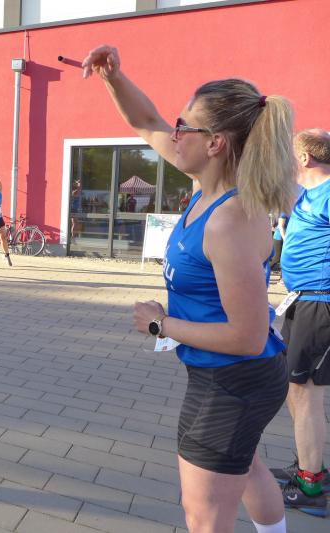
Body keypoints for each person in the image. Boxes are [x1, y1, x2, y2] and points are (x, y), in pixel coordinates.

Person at [83, 45, 295, 533]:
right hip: (233, 376)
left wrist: (161, 324)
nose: (173, 132)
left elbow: (246, 335)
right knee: (246, 468)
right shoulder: (207, 189)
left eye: (184, 126)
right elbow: (145, 121)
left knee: (203, 516)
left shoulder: (228, 220)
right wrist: (114, 77)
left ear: (215, 143)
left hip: (233, 381)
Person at [269, 128, 330, 517]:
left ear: (305, 158)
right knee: (299, 390)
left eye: (290, 154)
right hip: (300, 300)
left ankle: (311, 485)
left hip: (320, 304)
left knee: (305, 392)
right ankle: (311, 466)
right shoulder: (304, 195)